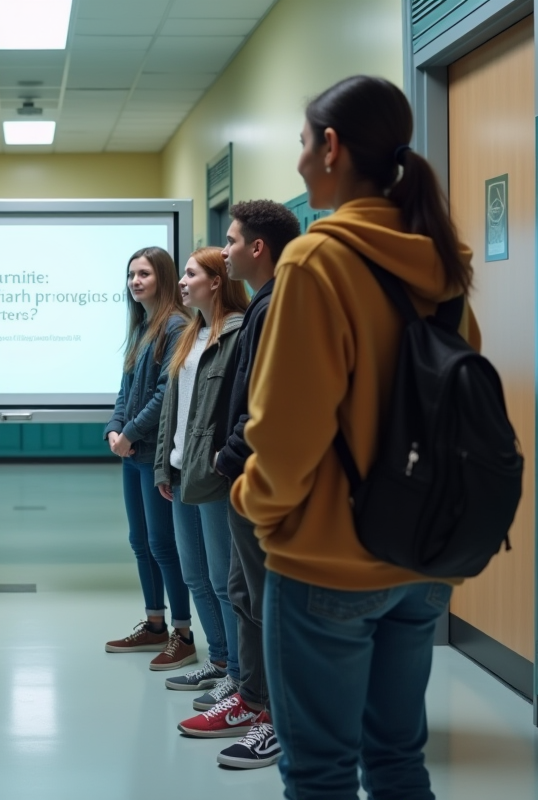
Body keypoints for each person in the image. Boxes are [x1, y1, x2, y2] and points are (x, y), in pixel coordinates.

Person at [231, 75, 480, 800]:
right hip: (423, 557)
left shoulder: (317, 260)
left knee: (322, 774)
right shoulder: (441, 264)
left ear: (332, 148)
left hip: (328, 561)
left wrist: (255, 504)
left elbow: (286, 428)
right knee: (398, 762)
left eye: (304, 143)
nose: (300, 159)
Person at [207, 199, 300, 769]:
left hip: (261, 476)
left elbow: (272, 397)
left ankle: (279, 720)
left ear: (258, 247)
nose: (224, 251)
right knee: (244, 594)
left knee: (269, 603)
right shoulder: (265, 303)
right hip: (247, 476)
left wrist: (231, 453)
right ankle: (253, 699)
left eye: (232, 240)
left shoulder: (277, 307)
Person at [152, 249, 250, 725]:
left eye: (190, 273)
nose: (182, 281)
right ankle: (219, 659)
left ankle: (238, 673)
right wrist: (162, 466)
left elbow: (238, 410)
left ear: (215, 282)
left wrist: (218, 460)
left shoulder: (238, 333)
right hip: (180, 469)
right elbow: (172, 410)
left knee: (223, 580)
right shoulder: (191, 333)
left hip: (212, 476)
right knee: (195, 576)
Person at [103, 247, 192, 666]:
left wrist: (129, 433)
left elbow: (165, 393)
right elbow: (125, 391)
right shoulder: (142, 326)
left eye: (144, 274)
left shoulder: (176, 326)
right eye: (131, 275)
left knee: (162, 545)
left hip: (154, 454)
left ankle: (183, 633)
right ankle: (155, 625)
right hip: (132, 452)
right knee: (140, 542)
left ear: (164, 278)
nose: (135, 281)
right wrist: (114, 428)